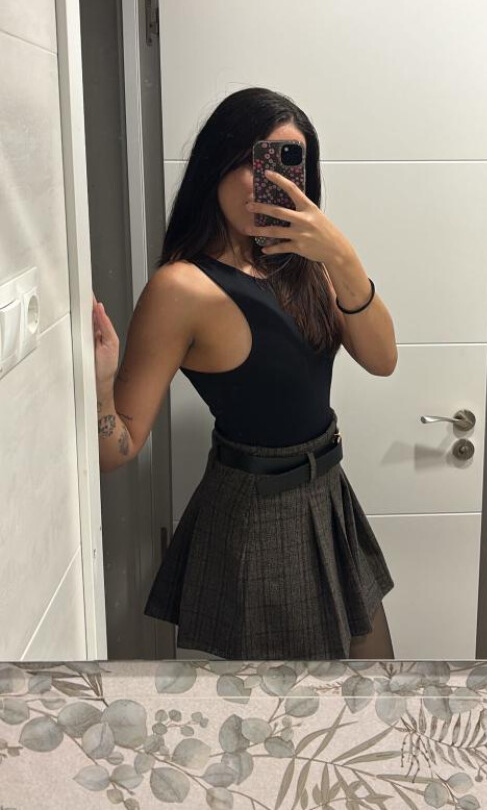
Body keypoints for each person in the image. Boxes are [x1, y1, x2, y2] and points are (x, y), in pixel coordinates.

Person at [93, 87, 397, 660]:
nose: (270, 185)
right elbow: (118, 447)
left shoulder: (307, 267)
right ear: (218, 162)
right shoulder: (181, 288)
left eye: (287, 167)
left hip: (330, 497)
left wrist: (340, 255)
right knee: (289, 705)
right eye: (257, 162)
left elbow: (383, 360)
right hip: (259, 514)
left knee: (373, 684)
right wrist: (101, 386)